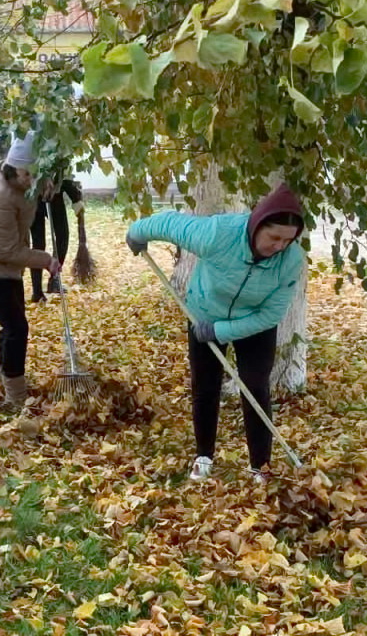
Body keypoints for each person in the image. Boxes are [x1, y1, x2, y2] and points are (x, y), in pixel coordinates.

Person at [125, 185, 306, 483]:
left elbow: (271, 314)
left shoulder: (291, 261)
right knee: (205, 386)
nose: (279, 246)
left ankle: (260, 466)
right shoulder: (218, 234)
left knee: (255, 386)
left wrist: (221, 331)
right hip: (205, 311)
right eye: (274, 237)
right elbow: (170, 224)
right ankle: (204, 456)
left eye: (287, 241)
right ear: (257, 225)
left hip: (254, 322)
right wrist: (137, 232)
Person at [0, 131, 60, 406]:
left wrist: (44, 186)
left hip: (7, 260)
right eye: (26, 174)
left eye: (35, 174)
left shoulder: (24, 180)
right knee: (16, 326)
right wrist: (46, 260)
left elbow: (32, 189)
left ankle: (3, 379)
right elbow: (6, 251)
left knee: (11, 323)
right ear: (11, 167)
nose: (30, 180)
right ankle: (16, 397)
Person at [29, 163, 84, 302]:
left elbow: (62, 173)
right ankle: (37, 291)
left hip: (54, 194)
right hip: (33, 193)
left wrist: (75, 197)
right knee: (38, 242)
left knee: (62, 236)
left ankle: (54, 279)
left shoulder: (58, 145)